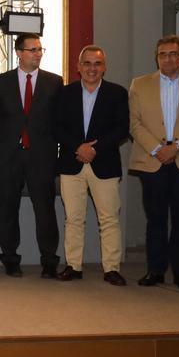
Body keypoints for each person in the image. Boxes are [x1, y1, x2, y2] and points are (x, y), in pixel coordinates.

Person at [129, 34, 179, 289]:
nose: (167, 59)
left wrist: (176, 147)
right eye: (162, 54)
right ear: (157, 57)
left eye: (173, 54)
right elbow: (134, 124)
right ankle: (155, 270)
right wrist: (158, 149)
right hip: (152, 160)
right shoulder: (139, 85)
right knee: (155, 218)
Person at [53, 45, 130, 286]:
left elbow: (122, 128)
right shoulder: (65, 93)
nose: (92, 68)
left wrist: (94, 149)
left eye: (97, 64)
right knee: (73, 218)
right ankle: (73, 266)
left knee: (109, 219)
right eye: (86, 63)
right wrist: (79, 147)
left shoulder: (117, 93)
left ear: (104, 67)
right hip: (71, 163)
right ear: (78, 67)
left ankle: (111, 269)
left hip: (104, 163)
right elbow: (56, 127)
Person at [0, 33, 63, 278]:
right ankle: (10, 259)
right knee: (8, 210)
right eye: (32, 49)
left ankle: (49, 261)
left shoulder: (54, 82)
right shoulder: (1, 82)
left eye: (40, 49)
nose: (38, 54)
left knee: (45, 211)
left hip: (41, 156)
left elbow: (58, 122)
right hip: (8, 156)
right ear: (19, 52)